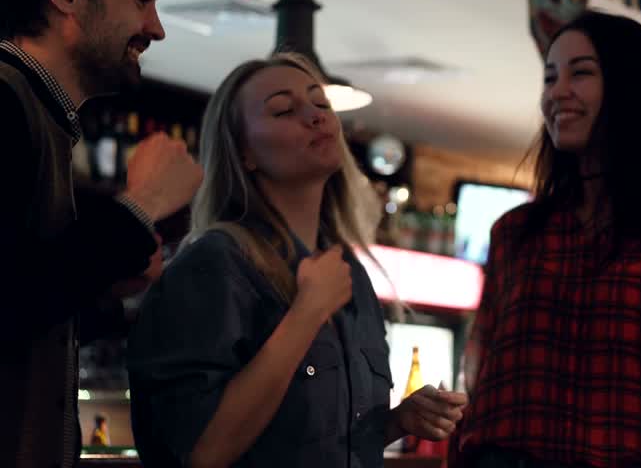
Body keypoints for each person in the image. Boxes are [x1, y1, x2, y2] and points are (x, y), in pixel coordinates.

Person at [127, 53, 468, 467]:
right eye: (285, 109)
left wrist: (397, 421)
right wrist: (307, 313)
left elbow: (320, 441)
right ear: (244, 152)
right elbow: (200, 451)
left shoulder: (349, 273)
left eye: (321, 104)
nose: (315, 116)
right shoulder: (215, 265)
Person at [449, 11, 641, 468]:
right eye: (549, 78)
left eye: (581, 72)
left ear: (632, 87)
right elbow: (480, 376)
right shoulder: (514, 233)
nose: (556, 92)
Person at [0, 0, 203, 468]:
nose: (156, 28)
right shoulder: (5, 100)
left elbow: (27, 315)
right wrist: (139, 207)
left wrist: (108, 294)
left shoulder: (45, 118)